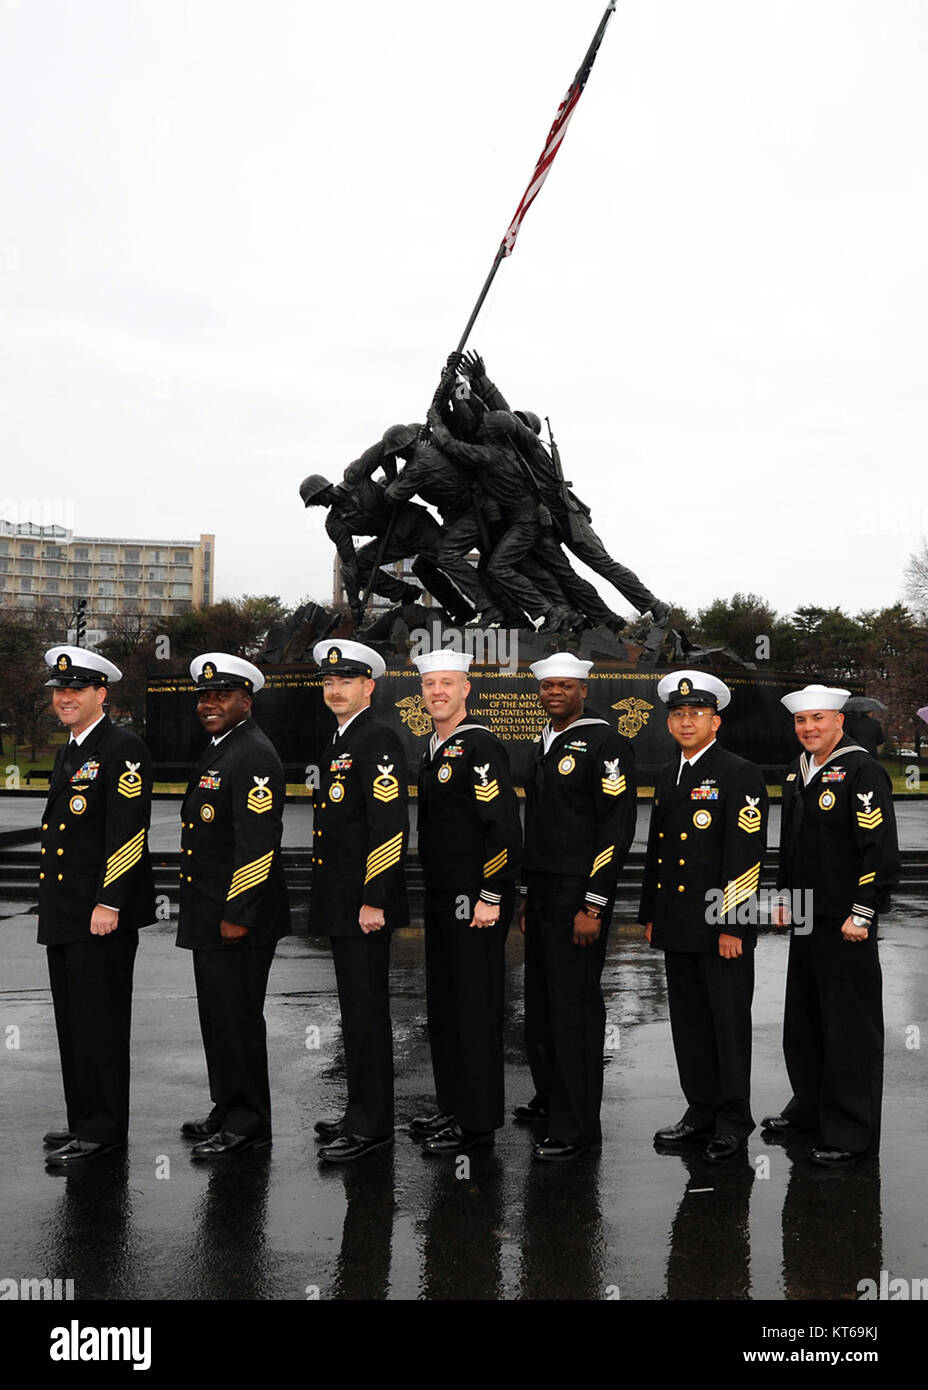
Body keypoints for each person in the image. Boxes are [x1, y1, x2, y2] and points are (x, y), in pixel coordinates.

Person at [762, 684, 900, 1165]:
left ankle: (850, 1132)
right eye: (802, 721)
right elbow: (792, 843)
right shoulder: (799, 772)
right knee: (805, 1021)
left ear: (839, 721)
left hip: (845, 920)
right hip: (806, 913)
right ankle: (810, 1107)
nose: (809, 728)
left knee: (848, 1028)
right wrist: (783, 896)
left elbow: (878, 849)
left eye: (818, 719)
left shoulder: (861, 769)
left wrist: (863, 911)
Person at [639, 670, 768, 1162]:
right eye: (678, 714)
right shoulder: (669, 773)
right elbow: (658, 850)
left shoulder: (739, 772)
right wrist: (652, 912)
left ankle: (733, 1119)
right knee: (689, 1023)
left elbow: (745, 852)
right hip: (678, 922)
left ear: (716, 721)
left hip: (720, 927)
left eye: (696, 713)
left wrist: (734, 923)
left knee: (727, 1024)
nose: (686, 721)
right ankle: (700, 1109)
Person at [39, 645, 156, 1167]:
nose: (65, 698)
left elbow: (127, 833)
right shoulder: (70, 750)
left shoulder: (122, 747)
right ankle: (83, 1117)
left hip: (100, 915)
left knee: (101, 1022)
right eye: (60, 691)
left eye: (76, 690)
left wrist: (109, 901)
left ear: (100, 694)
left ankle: (104, 1131)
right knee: (72, 1020)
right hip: (65, 911)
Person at [518, 653, 637, 1160]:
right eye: (548, 687)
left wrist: (594, 903)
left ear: (583, 691)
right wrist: (526, 895)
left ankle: (577, 1126)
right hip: (543, 892)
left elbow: (615, 828)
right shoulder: (544, 742)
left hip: (577, 894)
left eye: (565, 687)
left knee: (574, 1010)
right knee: (542, 1005)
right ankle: (549, 1100)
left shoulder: (607, 743)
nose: (554, 694)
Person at [178, 653, 291, 1158]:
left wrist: (236, 914)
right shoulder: (222, 748)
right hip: (210, 912)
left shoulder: (253, 754)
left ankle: (248, 1123)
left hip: (238, 918)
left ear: (247, 699)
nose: (210, 704)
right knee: (218, 1018)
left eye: (221, 695)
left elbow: (258, 843)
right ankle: (226, 1106)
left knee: (238, 1019)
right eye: (204, 696)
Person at [410, 650, 522, 1154]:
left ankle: (477, 1125)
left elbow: (502, 827)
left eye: (447, 684)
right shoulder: (432, 747)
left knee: (475, 1011)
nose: (437, 692)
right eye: (430, 684)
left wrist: (491, 896)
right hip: (441, 898)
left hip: (475, 902)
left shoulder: (479, 746)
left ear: (465, 690)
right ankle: (453, 1106)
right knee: (448, 1008)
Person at [308, 639, 409, 1161]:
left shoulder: (378, 739)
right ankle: (358, 1112)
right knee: (354, 1010)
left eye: (345, 681)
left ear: (368, 686)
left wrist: (375, 899)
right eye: (328, 682)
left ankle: (372, 1127)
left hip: (364, 906)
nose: (334, 690)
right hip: (342, 901)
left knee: (367, 1013)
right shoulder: (341, 741)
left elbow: (389, 826)